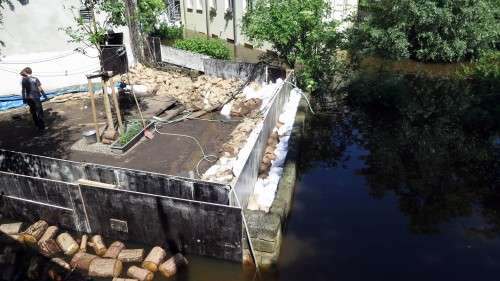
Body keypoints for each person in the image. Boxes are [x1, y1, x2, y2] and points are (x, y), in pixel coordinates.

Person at [20, 67, 48, 131]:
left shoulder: (23, 80)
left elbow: (23, 90)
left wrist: (24, 99)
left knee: (33, 112)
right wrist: (45, 96)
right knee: (39, 112)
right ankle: (42, 127)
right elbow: (40, 88)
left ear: (26, 72)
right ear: (31, 72)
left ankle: (37, 126)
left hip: (29, 98)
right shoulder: (35, 79)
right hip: (36, 97)